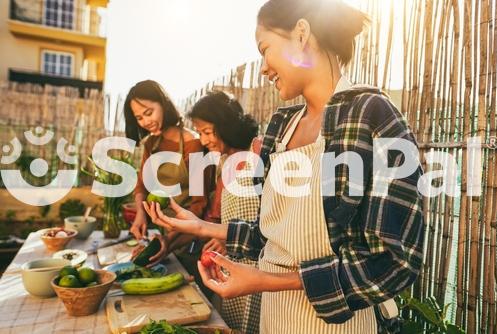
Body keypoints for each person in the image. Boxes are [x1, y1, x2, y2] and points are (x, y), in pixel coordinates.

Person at [144, 0, 424, 333]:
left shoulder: (373, 115)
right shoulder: (282, 127)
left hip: (337, 325)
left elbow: (393, 261)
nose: (263, 67)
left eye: (266, 49)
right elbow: (273, 236)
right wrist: (206, 228)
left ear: (302, 33)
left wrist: (265, 279)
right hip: (274, 320)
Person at [187, 91, 262, 333]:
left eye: (207, 132)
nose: (203, 140)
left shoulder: (258, 152)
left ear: (226, 125)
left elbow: (274, 217)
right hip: (232, 266)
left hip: (258, 267)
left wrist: (234, 239)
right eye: (199, 133)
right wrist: (222, 237)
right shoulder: (225, 163)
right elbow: (221, 217)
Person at [123, 80, 208, 267]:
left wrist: (170, 239)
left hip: (188, 238)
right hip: (162, 236)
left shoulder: (192, 143)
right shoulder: (150, 144)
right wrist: (140, 215)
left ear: (163, 104)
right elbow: (141, 186)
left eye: (148, 113)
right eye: (139, 118)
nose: (145, 122)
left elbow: (199, 205)